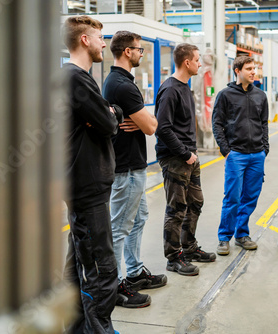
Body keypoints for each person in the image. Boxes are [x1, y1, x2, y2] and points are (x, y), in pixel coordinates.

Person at [62, 16, 122, 334]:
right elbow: (110, 124)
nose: (104, 42)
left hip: (83, 183)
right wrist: (110, 114)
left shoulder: (77, 78)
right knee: (102, 269)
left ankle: (73, 326)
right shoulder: (76, 79)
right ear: (84, 40)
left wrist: (107, 114)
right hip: (87, 185)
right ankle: (99, 329)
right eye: (100, 37)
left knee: (78, 262)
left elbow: (104, 118)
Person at [102, 31, 166, 308]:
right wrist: (144, 120)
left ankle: (135, 271)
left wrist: (143, 119)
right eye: (140, 49)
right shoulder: (121, 85)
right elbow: (152, 126)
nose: (142, 53)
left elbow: (147, 121)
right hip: (127, 167)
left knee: (138, 219)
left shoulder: (122, 81)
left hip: (133, 164)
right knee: (119, 226)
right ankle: (114, 286)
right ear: (127, 51)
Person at [155, 43, 216, 276]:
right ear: (187, 62)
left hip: (190, 157)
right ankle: (173, 257)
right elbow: (163, 128)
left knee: (195, 203)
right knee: (176, 209)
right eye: (198, 59)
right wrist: (185, 153)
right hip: (176, 159)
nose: (200, 63)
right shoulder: (170, 89)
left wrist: (192, 154)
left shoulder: (185, 88)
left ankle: (188, 248)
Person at [212, 56, 269, 256]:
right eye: (249, 68)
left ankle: (242, 234)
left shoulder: (261, 95)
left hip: (257, 155)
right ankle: (224, 237)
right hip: (236, 154)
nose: (253, 72)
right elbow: (217, 123)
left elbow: (263, 124)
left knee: (250, 197)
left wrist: (265, 148)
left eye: (254, 68)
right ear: (237, 70)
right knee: (232, 197)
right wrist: (226, 150)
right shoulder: (225, 95)